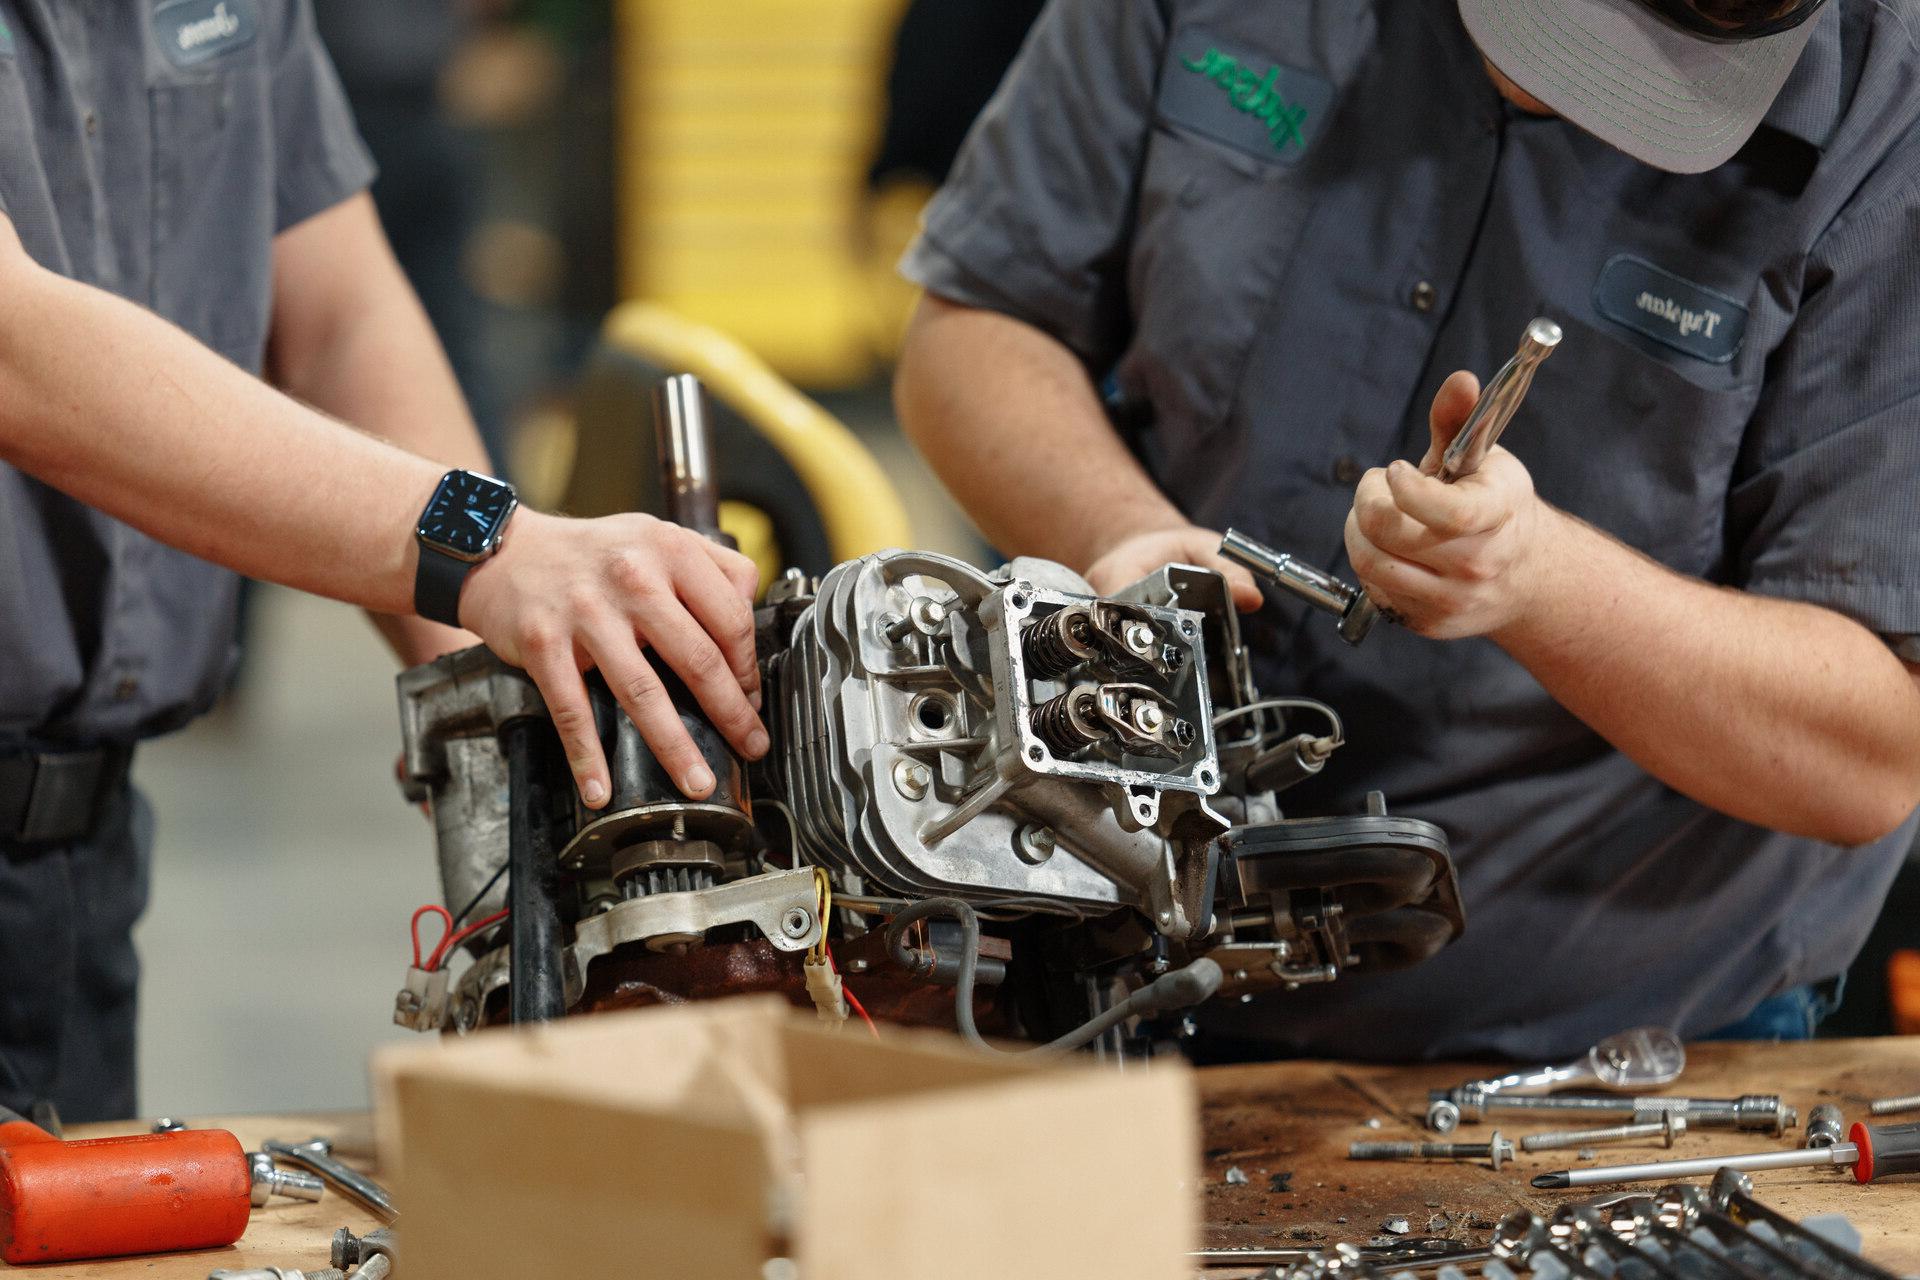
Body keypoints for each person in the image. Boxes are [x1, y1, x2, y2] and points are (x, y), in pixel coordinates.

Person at [895, 0, 1920, 1058]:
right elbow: (976, 323)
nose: (1547, 91)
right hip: (1111, 974)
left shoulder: (1892, 109)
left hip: (1612, 1050)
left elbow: (1870, 756)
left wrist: (1541, 581)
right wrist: (1120, 527)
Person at [0, 0, 765, 1121]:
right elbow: (17, 349)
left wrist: (511, 711)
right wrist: (487, 545)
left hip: (79, 858)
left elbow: (342, 316)